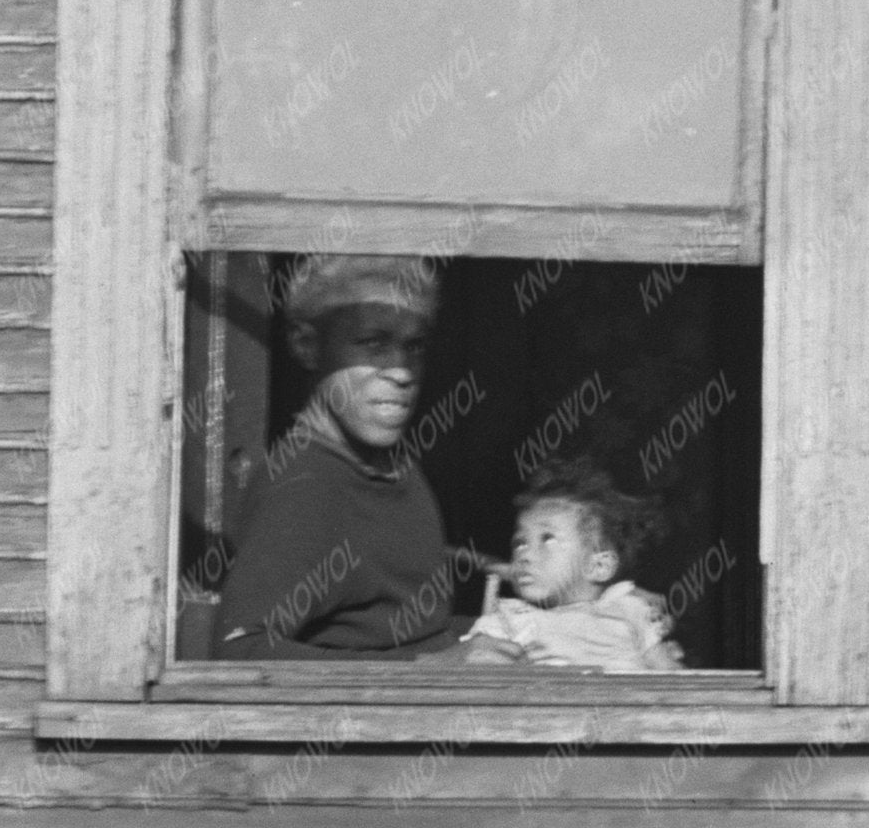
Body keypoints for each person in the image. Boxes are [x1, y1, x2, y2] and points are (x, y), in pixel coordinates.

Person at [209, 258, 457, 657]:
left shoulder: (394, 466)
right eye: (373, 343)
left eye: (414, 346)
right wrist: (428, 672)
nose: (402, 372)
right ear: (307, 346)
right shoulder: (305, 489)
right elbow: (239, 653)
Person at [463, 455, 682, 677]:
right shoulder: (510, 621)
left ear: (598, 565)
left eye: (548, 539)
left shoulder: (629, 610)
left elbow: (676, 679)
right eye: (520, 543)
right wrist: (489, 660)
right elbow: (478, 672)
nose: (525, 554)